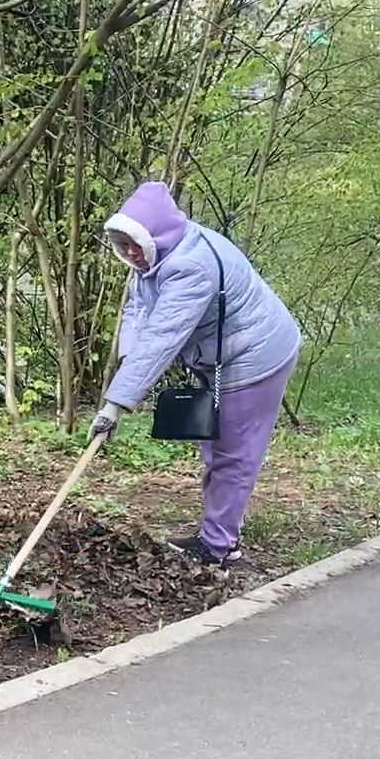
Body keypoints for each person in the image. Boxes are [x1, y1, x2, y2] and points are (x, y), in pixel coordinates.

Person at [89, 181, 301, 565]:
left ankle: (218, 546)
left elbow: (163, 337)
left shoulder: (190, 267)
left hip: (255, 356)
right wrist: (129, 360)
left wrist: (116, 404)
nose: (131, 252)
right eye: (123, 243)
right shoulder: (155, 255)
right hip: (218, 357)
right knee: (213, 447)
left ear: (156, 233)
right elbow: (139, 309)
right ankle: (217, 528)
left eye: (136, 242)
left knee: (233, 454)